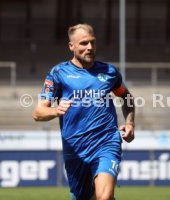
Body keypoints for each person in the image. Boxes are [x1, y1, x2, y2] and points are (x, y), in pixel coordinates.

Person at [32, 23, 135, 200]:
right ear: (71, 46)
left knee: (105, 196)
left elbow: (126, 98)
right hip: (76, 149)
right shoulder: (58, 73)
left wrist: (130, 123)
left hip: (107, 142)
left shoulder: (109, 72)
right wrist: (56, 110)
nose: (89, 47)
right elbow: (38, 113)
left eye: (92, 43)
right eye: (83, 43)